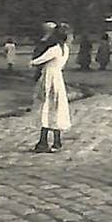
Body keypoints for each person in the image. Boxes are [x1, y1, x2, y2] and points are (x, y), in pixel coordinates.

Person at [30, 24, 71, 153]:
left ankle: (43, 142)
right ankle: (56, 141)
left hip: (49, 78)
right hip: (58, 78)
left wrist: (32, 62)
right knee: (56, 108)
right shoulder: (65, 49)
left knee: (46, 107)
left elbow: (40, 60)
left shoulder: (54, 49)